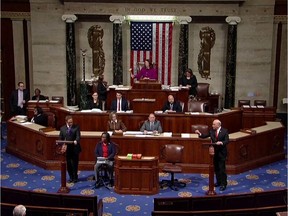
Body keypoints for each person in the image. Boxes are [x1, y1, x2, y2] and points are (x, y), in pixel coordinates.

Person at [195, 119, 229, 191]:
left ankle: (224, 184)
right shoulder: (212, 131)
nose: (212, 125)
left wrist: (221, 142)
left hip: (222, 153)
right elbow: (204, 136)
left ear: (218, 125)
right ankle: (219, 182)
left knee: (222, 169)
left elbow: (227, 141)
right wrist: (199, 133)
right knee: (216, 168)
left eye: (214, 124)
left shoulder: (225, 131)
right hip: (214, 153)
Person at [59, 115, 81, 183]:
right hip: (67, 149)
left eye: (72, 122)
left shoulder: (76, 127)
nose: (71, 123)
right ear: (66, 122)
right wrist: (62, 144)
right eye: (69, 122)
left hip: (74, 148)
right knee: (68, 164)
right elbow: (60, 138)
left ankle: (75, 177)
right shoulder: (62, 128)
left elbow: (78, 136)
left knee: (74, 164)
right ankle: (71, 177)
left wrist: (76, 141)